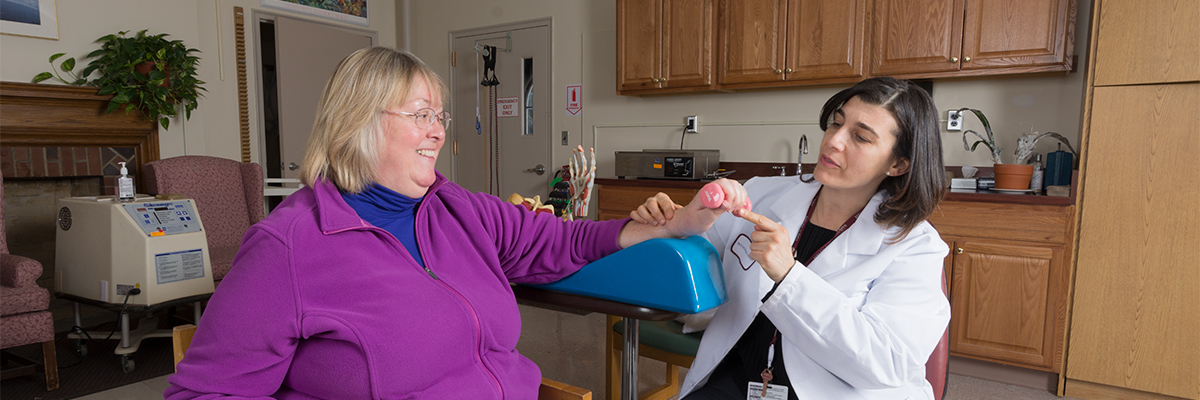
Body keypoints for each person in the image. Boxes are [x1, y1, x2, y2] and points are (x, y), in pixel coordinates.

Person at [164, 47, 741, 399]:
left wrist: (673, 226)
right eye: (419, 116)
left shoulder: (457, 208)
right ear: (356, 125)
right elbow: (205, 393)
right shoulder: (287, 246)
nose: (438, 131)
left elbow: (562, 239)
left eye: (439, 115)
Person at [632, 77, 950, 400]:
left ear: (897, 164)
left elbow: (887, 362)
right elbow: (681, 270)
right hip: (739, 380)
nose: (834, 141)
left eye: (860, 137)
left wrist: (789, 277)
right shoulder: (760, 194)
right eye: (836, 123)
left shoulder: (915, 247)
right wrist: (675, 224)